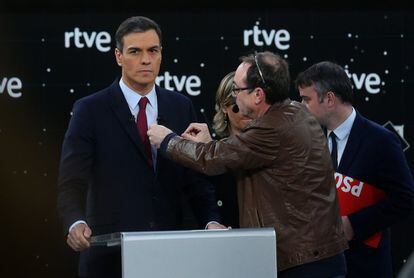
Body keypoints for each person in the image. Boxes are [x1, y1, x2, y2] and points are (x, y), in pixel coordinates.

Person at [148, 51, 349, 277]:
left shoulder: (273, 127)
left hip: (303, 263)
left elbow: (213, 159)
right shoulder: (293, 111)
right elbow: (245, 151)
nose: (233, 96)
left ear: (258, 95)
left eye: (237, 89)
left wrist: (167, 141)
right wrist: (213, 144)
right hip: (313, 255)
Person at [57, 16, 222, 278]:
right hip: (110, 258)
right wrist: (75, 222)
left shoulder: (180, 106)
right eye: (135, 51)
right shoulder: (90, 110)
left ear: (160, 54)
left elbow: (196, 180)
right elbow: (71, 181)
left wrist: (210, 221)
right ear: (119, 56)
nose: (146, 59)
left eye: (152, 51)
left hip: (171, 254)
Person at [295, 61, 414, 278]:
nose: (301, 106)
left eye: (306, 99)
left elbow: (405, 199)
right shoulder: (310, 138)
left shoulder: (381, 141)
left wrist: (353, 225)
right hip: (319, 266)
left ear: (329, 99)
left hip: (364, 267)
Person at [210, 71, 252, 228]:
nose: (247, 111)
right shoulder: (211, 155)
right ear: (223, 107)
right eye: (239, 105)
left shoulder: (272, 150)